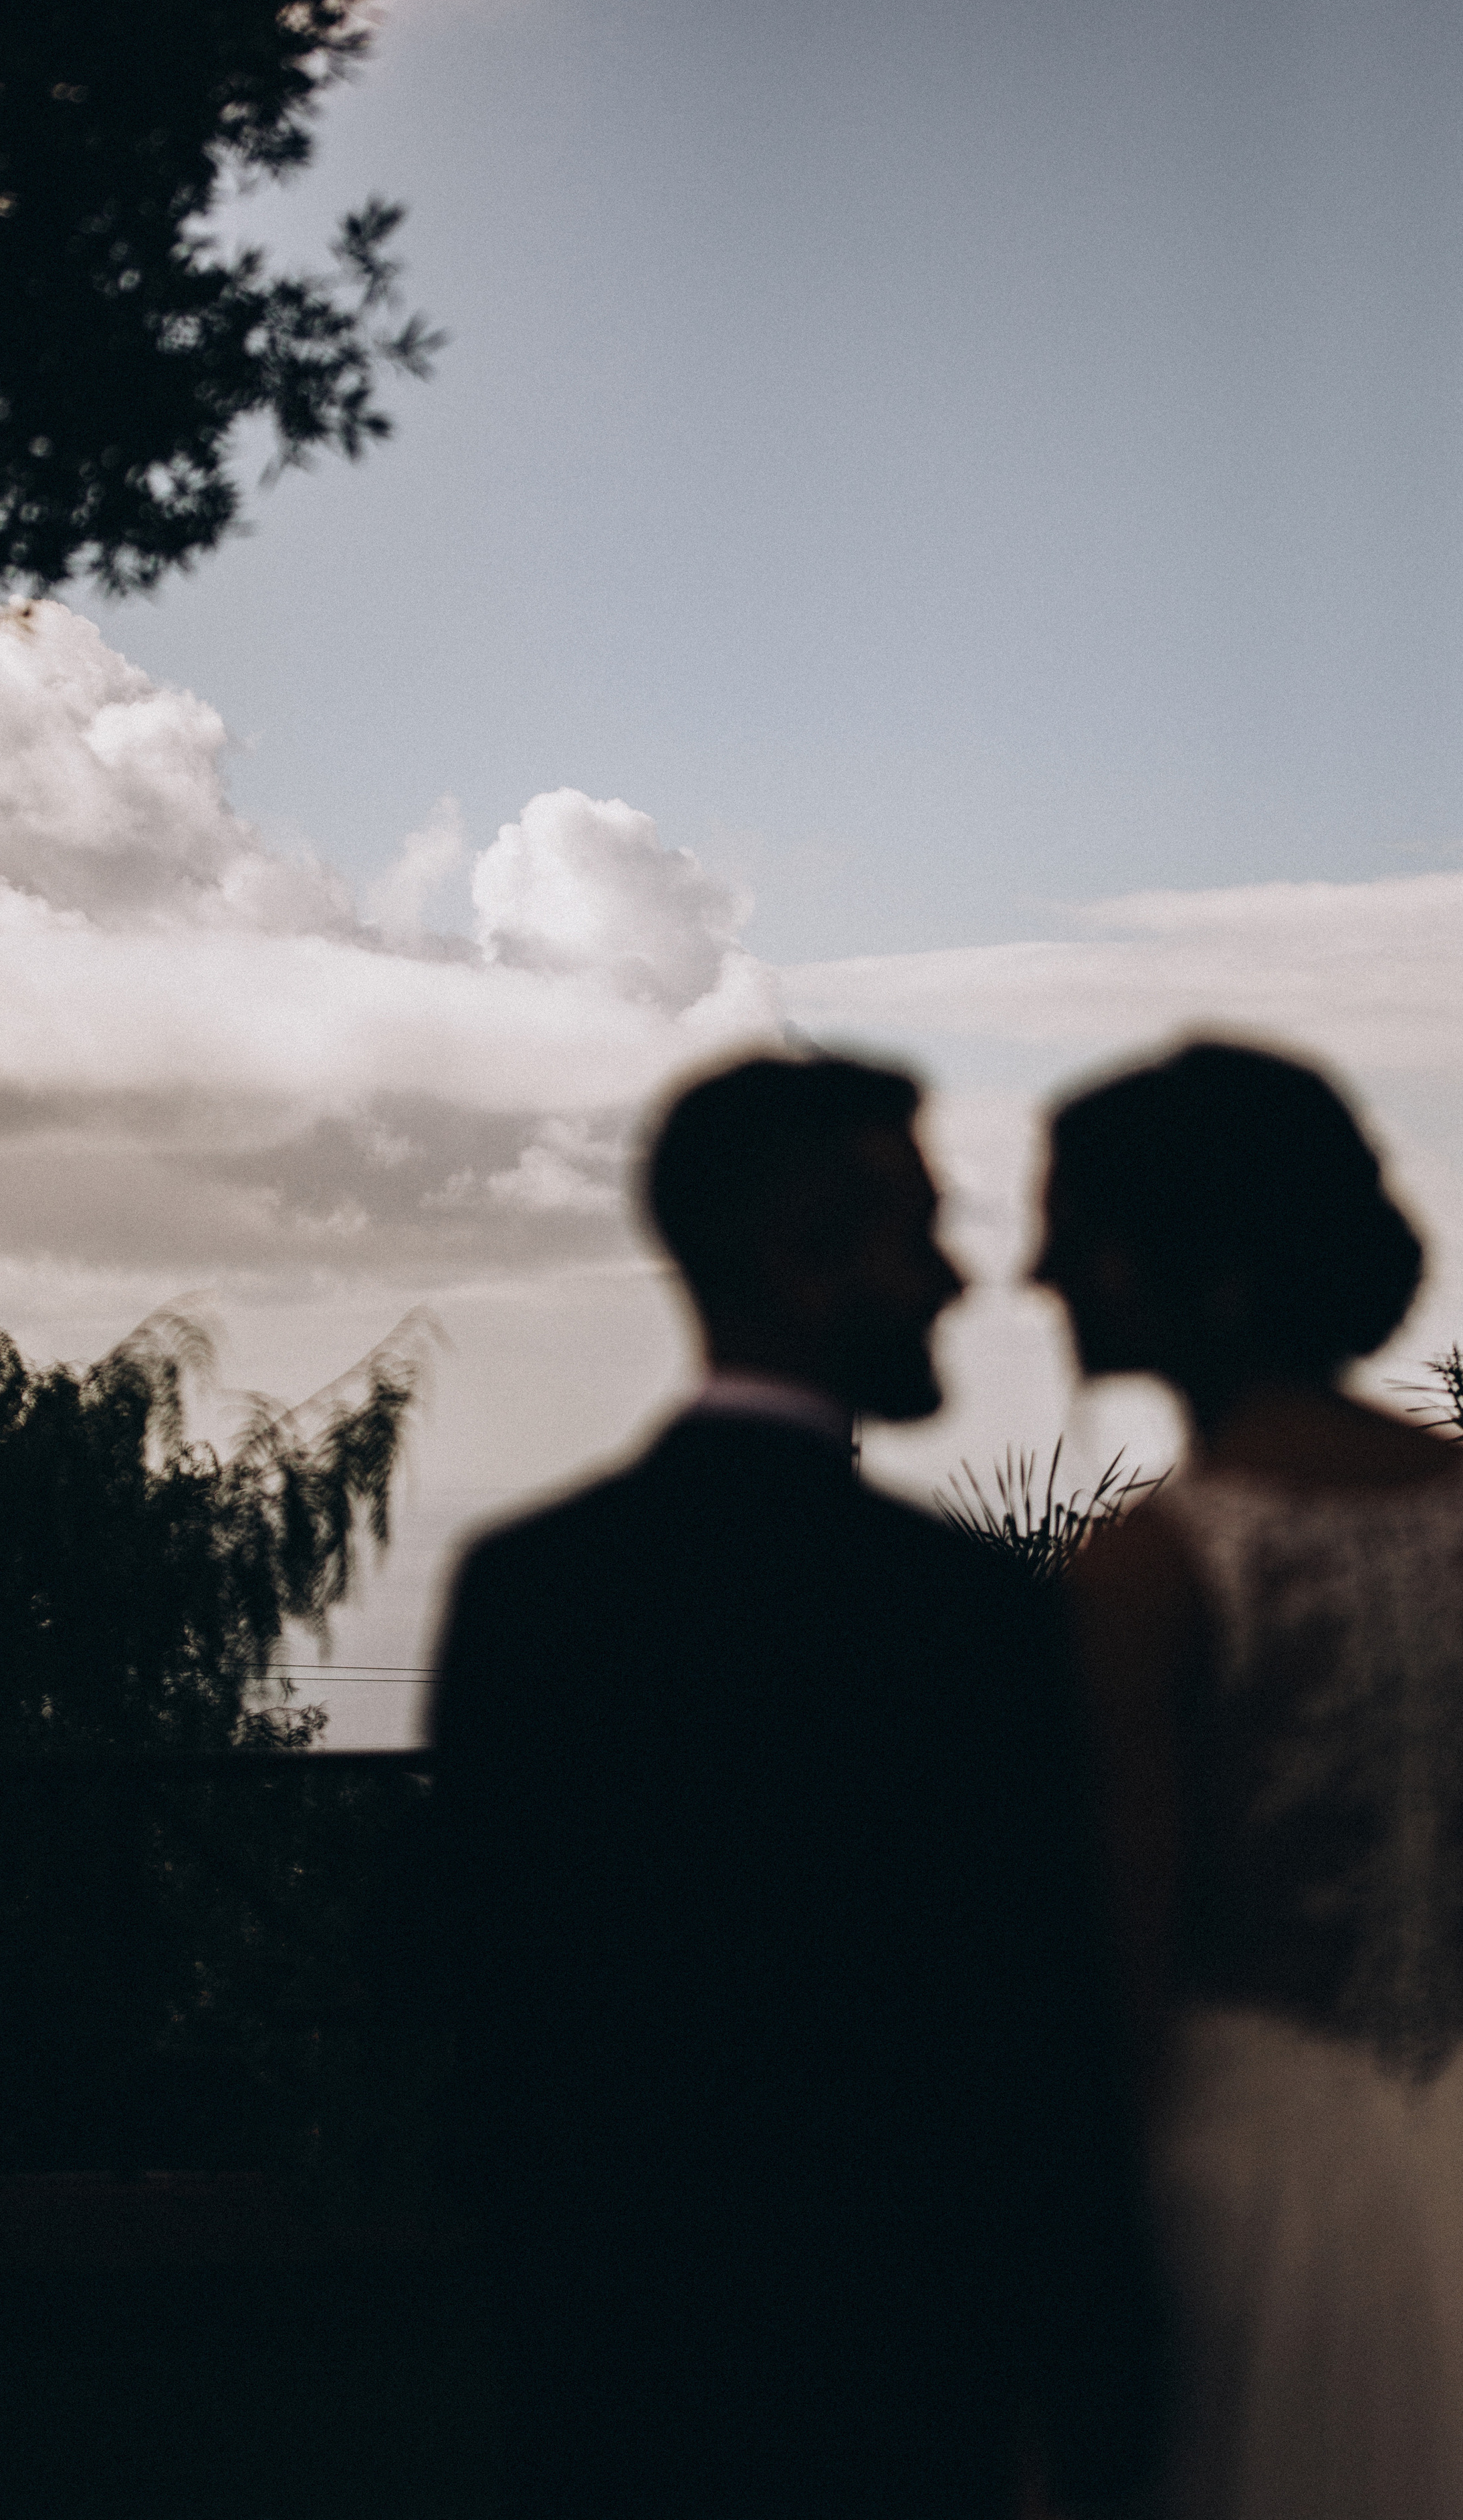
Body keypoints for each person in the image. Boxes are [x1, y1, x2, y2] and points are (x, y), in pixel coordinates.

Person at [429, 1053, 1166, 2520]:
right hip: (907, 2377)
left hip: (612, 2376)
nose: (958, 1280)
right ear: (798, 1256)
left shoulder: (529, 1589)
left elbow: (479, 2010)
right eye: (919, 1229)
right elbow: (1035, 2029)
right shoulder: (964, 1609)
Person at [1034, 1037, 1463, 2520]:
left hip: (1251, 2190)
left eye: (1070, 1227)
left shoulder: (1149, 1570)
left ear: (1188, 1268)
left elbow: (1115, 1973)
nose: (1037, 1270)